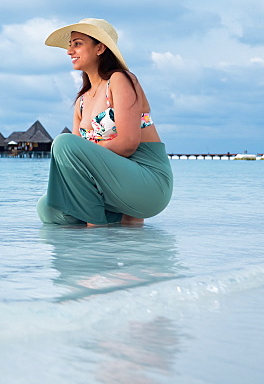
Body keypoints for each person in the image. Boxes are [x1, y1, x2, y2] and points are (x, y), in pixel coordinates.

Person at [36, 18, 173, 227]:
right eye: (70, 45)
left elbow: (127, 143)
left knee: (63, 143)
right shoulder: (81, 101)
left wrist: (89, 152)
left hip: (148, 183)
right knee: (48, 207)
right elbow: (73, 166)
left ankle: (96, 228)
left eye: (77, 43)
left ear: (100, 48)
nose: (69, 51)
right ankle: (118, 221)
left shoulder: (121, 80)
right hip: (110, 189)